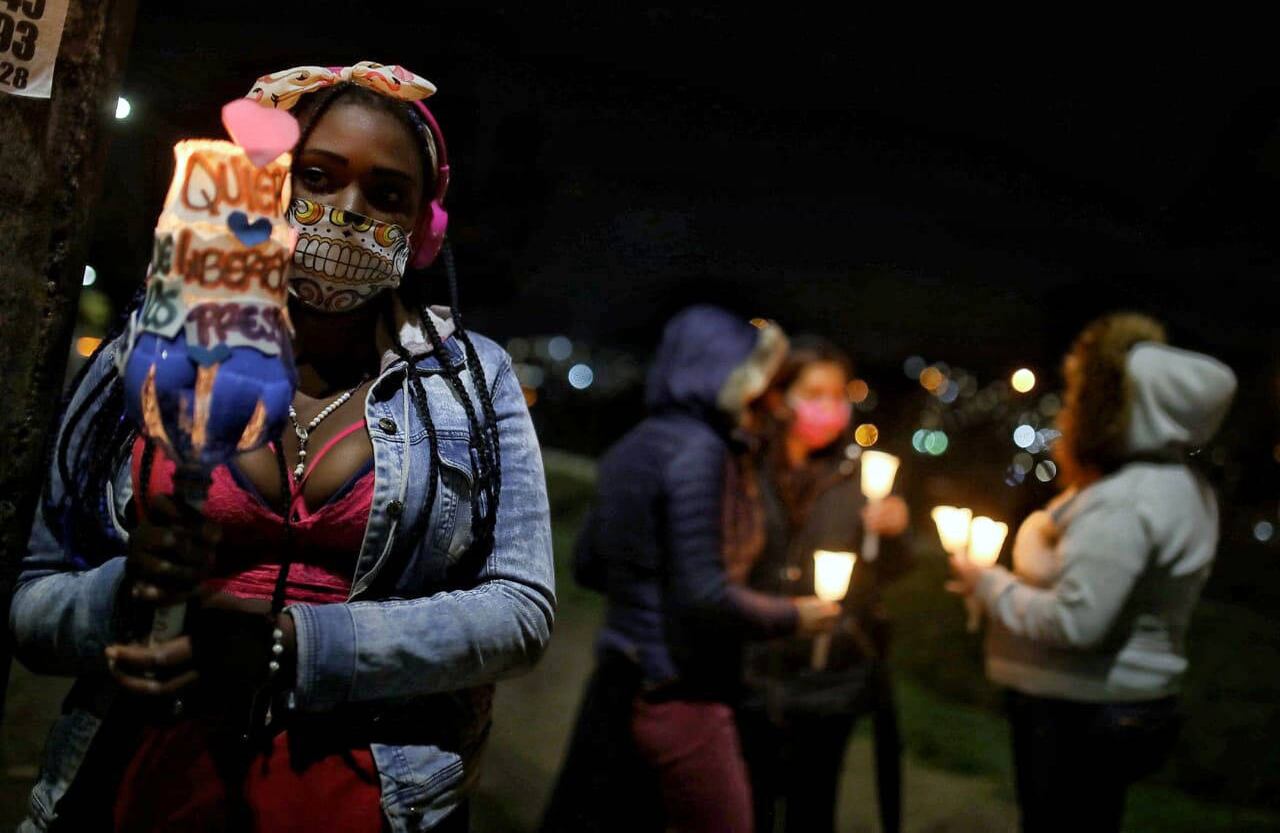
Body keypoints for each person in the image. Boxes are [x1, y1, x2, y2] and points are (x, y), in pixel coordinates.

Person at [10, 61, 555, 833]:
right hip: (140, 781)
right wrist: (122, 596)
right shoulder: (151, 350)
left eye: (386, 194)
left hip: (369, 798)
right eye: (318, 176)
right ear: (265, 185)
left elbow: (521, 609)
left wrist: (294, 646)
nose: (345, 211)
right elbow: (32, 602)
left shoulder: (471, 378)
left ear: (424, 230)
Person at [542, 306, 841, 833]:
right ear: (721, 374)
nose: (761, 398)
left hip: (619, 674)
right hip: (679, 685)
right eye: (753, 381)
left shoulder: (636, 443)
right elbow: (704, 593)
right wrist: (796, 615)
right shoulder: (699, 451)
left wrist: (639, 590)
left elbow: (588, 564)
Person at [948, 313, 1237, 833]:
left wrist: (990, 584)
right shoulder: (1178, 487)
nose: (1069, 409)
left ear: (1118, 407)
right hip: (1115, 708)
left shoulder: (1124, 502)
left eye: (1082, 393)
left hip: (1080, 715)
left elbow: (1076, 623)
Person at [733, 336, 911, 833]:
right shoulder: (747, 468)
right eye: (815, 392)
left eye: (839, 394)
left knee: (813, 808)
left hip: (830, 676)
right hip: (751, 667)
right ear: (779, 396)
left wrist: (896, 534)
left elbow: (893, 570)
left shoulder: (860, 474)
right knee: (748, 808)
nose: (830, 407)